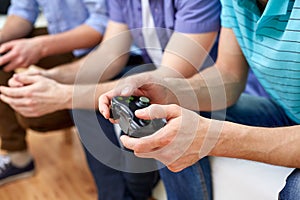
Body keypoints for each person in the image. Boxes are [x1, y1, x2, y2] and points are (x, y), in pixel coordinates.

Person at [0, 0, 224, 199]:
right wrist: (51, 76)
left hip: (196, 88)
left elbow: (170, 77)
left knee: (139, 122)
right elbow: (109, 54)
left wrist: (63, 95)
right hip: (152, 75)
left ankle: (134, 191)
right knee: (85, 104)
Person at [98, 0, 300, 198]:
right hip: (286, 112)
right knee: (170, 114)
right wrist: (168, 91)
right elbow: (229, 76)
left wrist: (215, 138)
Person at [0, 0, 107, 187]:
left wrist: (41, 47)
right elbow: (22, 11)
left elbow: (104, 23)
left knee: (35, 117)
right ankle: (18, 156)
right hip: (62, 38)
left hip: (102, 47)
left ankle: (70, 106)